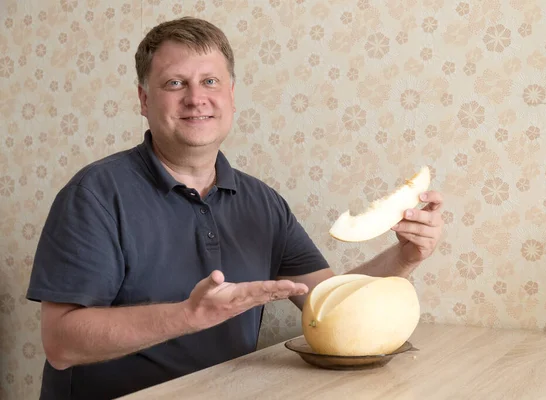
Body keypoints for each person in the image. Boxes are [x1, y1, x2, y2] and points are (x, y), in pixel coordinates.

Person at [26, 17, 444, 400]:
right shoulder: (94, 195)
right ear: (143, 99)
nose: (196, 98)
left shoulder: (263, 202)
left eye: (210, 81)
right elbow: (61, 344)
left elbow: (332, 304)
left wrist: (405, 257)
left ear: (231, 96)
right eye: (174, 83)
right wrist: (188, 316)